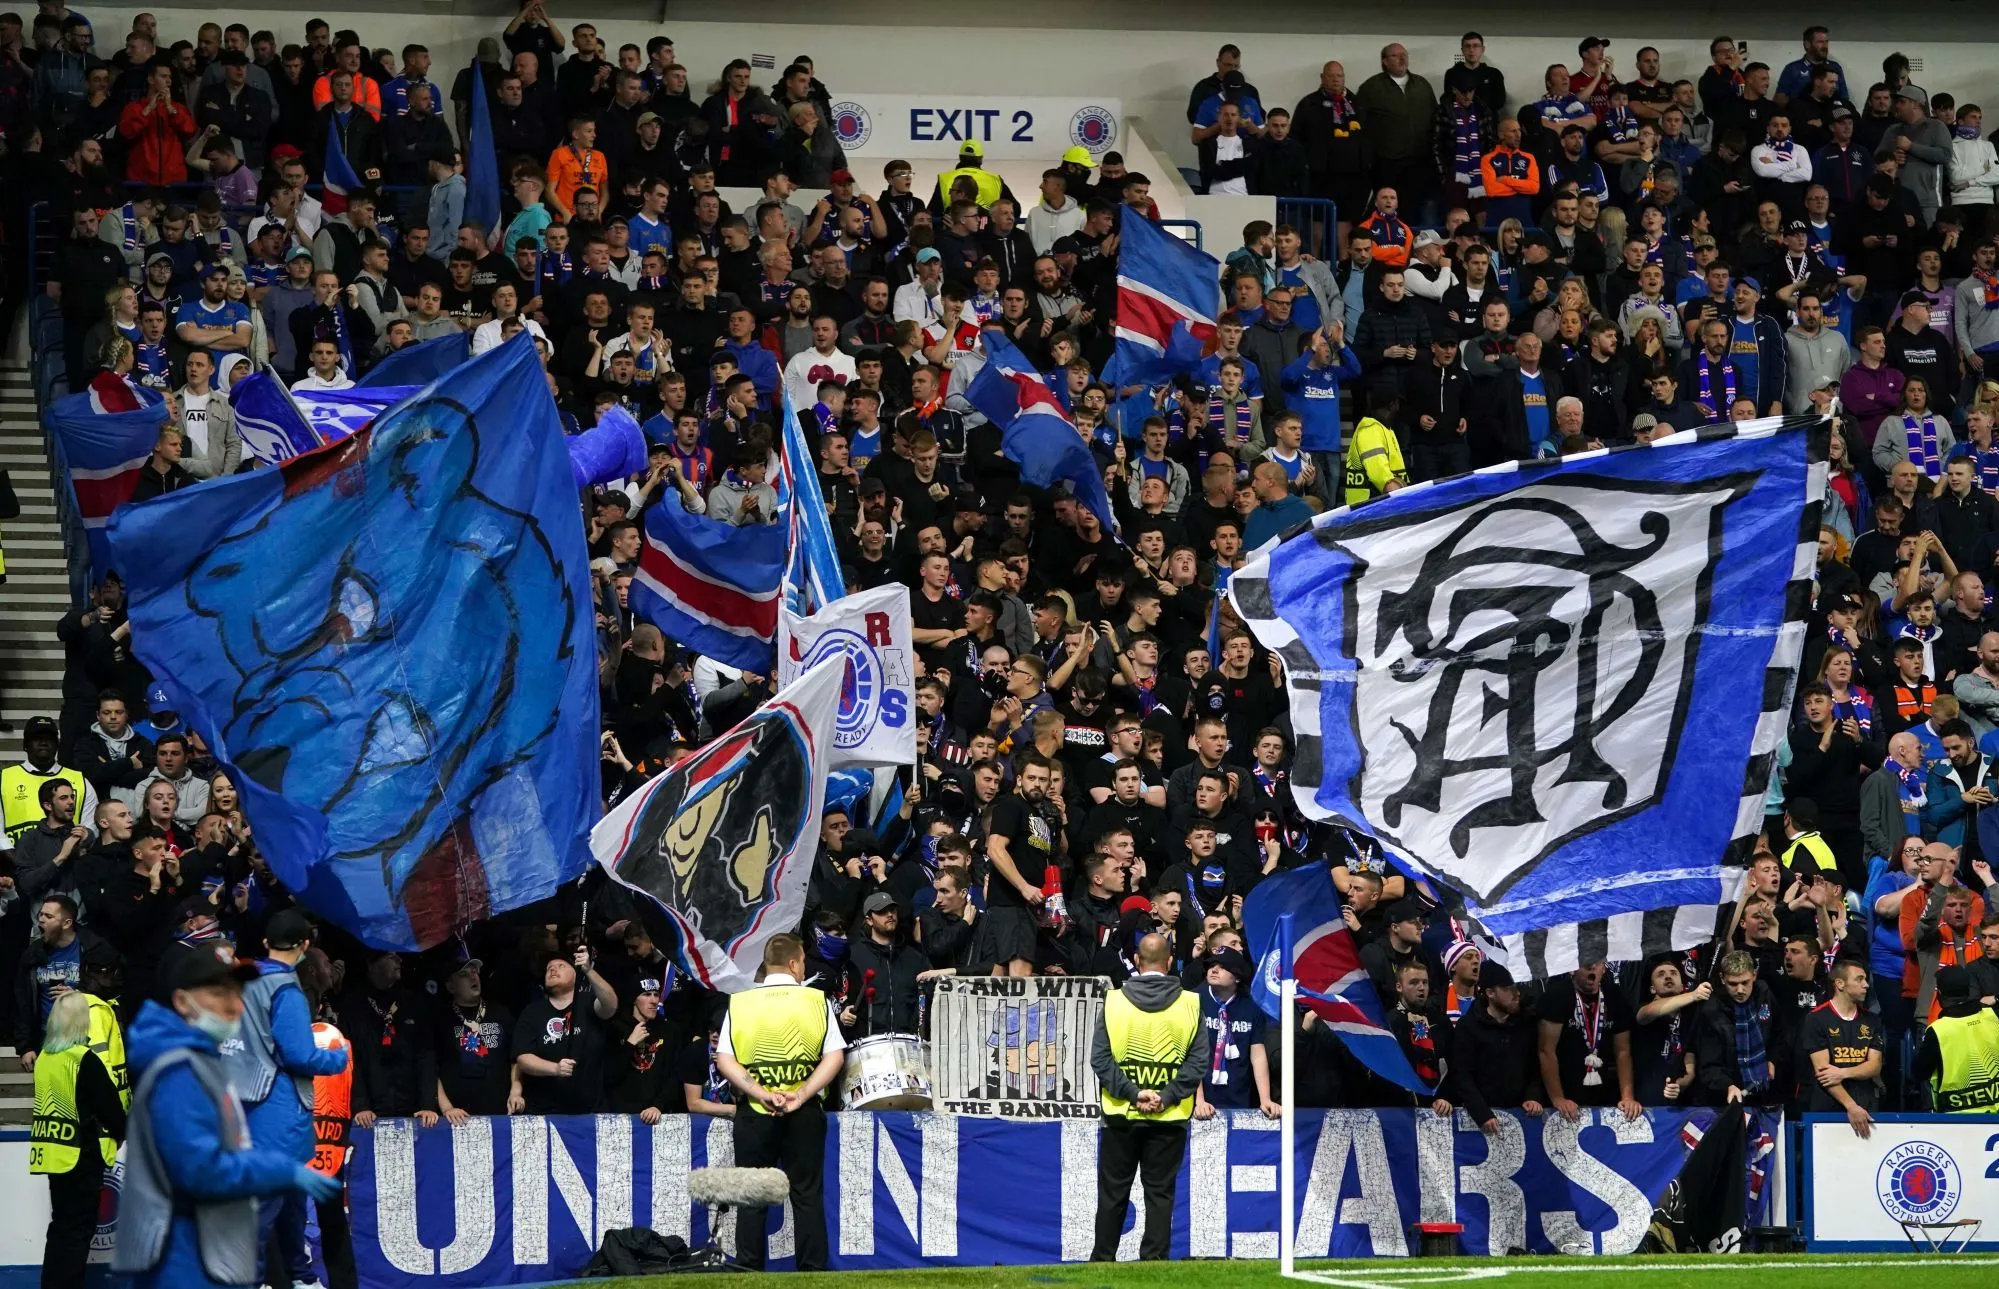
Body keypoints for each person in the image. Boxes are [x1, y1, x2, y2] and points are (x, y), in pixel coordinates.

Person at [112, 942, 342, 1289]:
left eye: (237, 993)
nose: (234, 1006)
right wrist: (279, 1169)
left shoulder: (199, 1061)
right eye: (219, 994)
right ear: (182, 1001)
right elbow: (202, 1171)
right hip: (184, 1265)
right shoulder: (179, 1070)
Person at [221, 909, 349, 1289]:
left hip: (239, 1101)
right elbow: (300, 1055)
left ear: (265, 943)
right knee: (266, 1202)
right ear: (305, 945)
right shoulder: (286, 990)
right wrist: (338, 1057)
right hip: (277, 1105)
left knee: (290, 1195)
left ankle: (300, 1276)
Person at [712, 934, 846, 1273]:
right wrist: (801, 1094)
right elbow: (834, 1056)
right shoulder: (816, 1000)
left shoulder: (740, 1002)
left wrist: (760, 1092)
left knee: (752, 1197)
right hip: (804, 1111)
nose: (804, 970)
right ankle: (812, 1273)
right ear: (793, 963)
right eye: (803, 963)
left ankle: (748, 1271)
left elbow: (724, 1060)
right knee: (806, 1194)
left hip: (755, 1112)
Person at [1090, 932, 1209, 1263]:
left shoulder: (1114, 1001)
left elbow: (1100, 1059)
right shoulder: (1191, 1003)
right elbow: (1198, 1062)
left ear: (1136, 961)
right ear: (1169, 961)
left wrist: (1132, 1093)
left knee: (1113, 1193)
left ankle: (1102, 1261)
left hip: (1121, 1115)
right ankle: (1154, 1263)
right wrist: (1167, 1096)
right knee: (1159, 1194)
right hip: (1169, 1117)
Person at [29, 989, 127, 1289]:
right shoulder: (84, 1059)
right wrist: (120, 1132)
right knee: (78, 1233)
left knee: (60, 1228)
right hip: (81, 1155)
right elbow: (110, 1108)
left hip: (54, 1154)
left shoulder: (45, 1058)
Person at [514, 942, 618, 1115]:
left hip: (591, 1110)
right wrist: (555, 1069)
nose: (553, 970)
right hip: (545, 1111)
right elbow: (523, 1058)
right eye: (549, 969)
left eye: (561, 966)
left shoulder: (589, 1002)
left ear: (575, 975)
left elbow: (610, 1005)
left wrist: (588, 970)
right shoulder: (532, 1012)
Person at [1536, 960, 1640, 1119]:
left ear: (1604, 968)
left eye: (1597, 962)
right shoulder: (1557, 995)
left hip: (1602, 1089)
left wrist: (1627, 1097)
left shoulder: (1614, 995)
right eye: (1585, 962)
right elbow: (1546, 1050)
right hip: (1564, 1087)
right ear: (1571, 969)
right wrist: (1558, 1098)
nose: (1592, 966)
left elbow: (1623, 1051)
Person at [1449, 959, 1544, 1132]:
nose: (1516, 994)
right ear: (1490, 993)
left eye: (1516, 987)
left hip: (1523, 1116)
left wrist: (1533, 1096)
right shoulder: (1468, 1026)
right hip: (1482, 1121)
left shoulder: (1525, 1024)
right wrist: (1481, 1113)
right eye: (1508, 989)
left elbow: (1535, 1067)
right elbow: (1462, 1075)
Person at [1798, 959, 1882, 1135]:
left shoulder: (1872, 1020)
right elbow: (1824, 1073)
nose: (1866, 985)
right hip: (1828, 1107)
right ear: (1840, 984)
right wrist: (1851, 1106)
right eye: (1859, 979)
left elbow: (1875, 1066)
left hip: (1865, 1106)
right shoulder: (1816, 1019)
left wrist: (1843, 1073)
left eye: (1866, 979)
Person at [1914, 964, 1999, 1112]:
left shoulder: (1938, 1030)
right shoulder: (1992, 1017)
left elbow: (1919, 1072)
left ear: (1939, 993)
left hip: (1957, 1117)